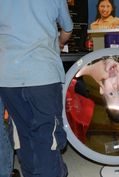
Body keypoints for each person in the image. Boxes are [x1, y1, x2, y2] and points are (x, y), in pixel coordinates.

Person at [0, 1, 73, 177]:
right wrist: (59, 43)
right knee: (47, 137)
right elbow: (67, 28)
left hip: (9, 76)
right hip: (43, 74)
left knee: (23, 136)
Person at [75, 56, 119, 123]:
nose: (115, 86)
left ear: (102, 89)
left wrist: (91, 65)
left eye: (111, 93)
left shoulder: (86, 64)